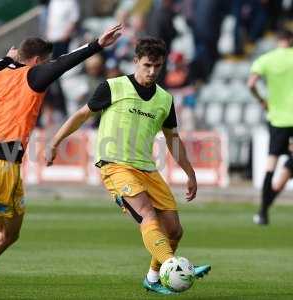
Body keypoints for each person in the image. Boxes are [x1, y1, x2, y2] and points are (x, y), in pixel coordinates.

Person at [0, 24, 123, 299]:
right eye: (44, 62)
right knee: (7, 235)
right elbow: (64, 63)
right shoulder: (34, 75)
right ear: (37, 61)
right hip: (1, 165)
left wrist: (7, 58)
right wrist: (97, 45)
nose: (47, 66)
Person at [46, 37, 210, 295]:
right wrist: (55, 141)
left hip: (147, 169)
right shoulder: (113, 87)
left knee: (175, 230)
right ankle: (175, 266)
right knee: (147, 215)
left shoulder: (165, 100)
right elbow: (81, 115)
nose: (152, 71)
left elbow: (173, 141)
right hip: (115, 166)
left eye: (157, 66)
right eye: (147, 65)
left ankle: (153, 278)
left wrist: (190, 173)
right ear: (135, 62)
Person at [247, 28, 293, 225]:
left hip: (276, 118)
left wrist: (262, 101)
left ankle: (263, 211)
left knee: (271, 162)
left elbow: (251, 83)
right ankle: (266, 207)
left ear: (277, 40)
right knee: (290, 164)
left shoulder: (267, 59)